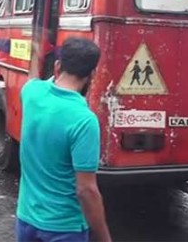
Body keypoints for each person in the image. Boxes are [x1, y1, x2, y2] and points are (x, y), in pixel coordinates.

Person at [16, 37, 112, 242]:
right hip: (64, 229)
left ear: (58, 66)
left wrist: (36, 50)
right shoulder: (84, 120)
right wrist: (104, 237)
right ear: (92, 75)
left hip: (26, 221)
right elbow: (86, 190)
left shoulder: (31, 93)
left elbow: (34, 77)